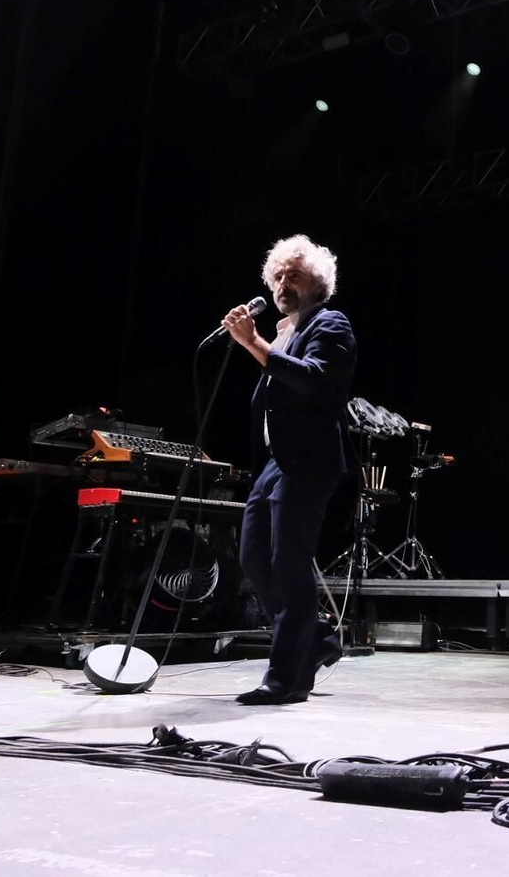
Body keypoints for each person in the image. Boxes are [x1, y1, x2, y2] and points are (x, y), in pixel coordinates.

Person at [222, 234, 357, 704]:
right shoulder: (285, 332)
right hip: (276, 463)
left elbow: (315, 380)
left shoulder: (330, 322)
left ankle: (287, 678)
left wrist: (254, 343)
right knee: (253, 560)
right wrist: (263, 344)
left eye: (294, 275)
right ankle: (316, 639)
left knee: (288, 565)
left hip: (309, 461)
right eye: (278, 275)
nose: (283, 283)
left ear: (317, 283)